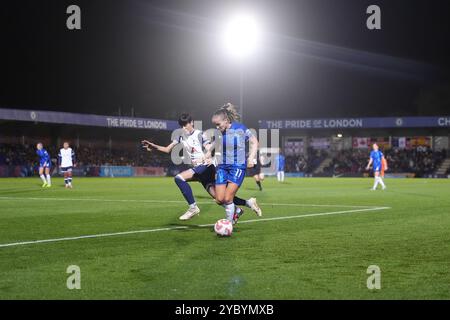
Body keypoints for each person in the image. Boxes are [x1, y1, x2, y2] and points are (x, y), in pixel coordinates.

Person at [141, 113, 262, 221]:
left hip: (205, 167)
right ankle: (246, 204)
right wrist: (154, 146)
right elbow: (167, 149)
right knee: (220, 199)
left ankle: (193, 208)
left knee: (179, 178)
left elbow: (211, 147)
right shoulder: (180, 136)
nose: (183, 128)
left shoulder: (200, 135)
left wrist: (209, 157)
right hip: (200, 171)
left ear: (191, 123)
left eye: (185, 125)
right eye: (181, 126)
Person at [211, 103, 259, 224]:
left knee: (228, 198)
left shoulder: (240, 128)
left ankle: (229, 224)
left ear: (226, 120)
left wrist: (251, 158)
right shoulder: (219, 133)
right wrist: (206, 156)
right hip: (222, 167)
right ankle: (248, 203)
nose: (217, 127)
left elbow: (254, 141)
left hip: (237, 166)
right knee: (219, 199)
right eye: (215, 125)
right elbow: (212, 147)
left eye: (218, 124)